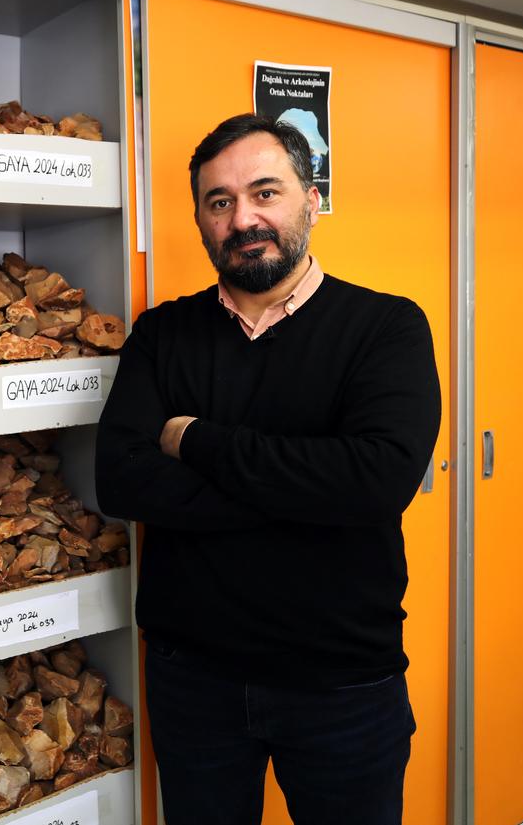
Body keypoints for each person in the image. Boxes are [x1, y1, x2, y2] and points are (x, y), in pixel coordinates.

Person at [94, 113, 441, 825]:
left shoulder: (386, 327)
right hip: (194, 679)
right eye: (219, 201)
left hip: (343, 682)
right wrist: (306, 489)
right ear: (200, 220)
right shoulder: (163, 333)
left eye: (265, 192)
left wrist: (196, 440)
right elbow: (120, 478)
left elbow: (376, 481)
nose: (243, 218)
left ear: (311, 200)